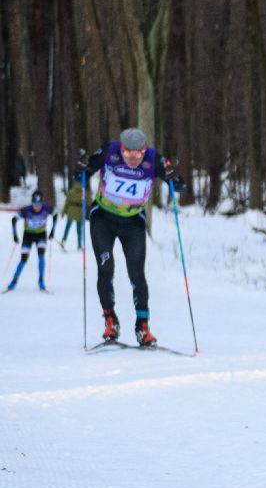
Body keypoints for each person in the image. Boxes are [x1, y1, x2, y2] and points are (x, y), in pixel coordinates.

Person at [82, 128, 183, 345]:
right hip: (103, 219)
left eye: (139, 155)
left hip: (133, 222)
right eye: (129, 154)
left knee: (137, 273)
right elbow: (85, 170)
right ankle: (111, 321)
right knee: (105, 267)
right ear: (122, 149)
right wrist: (82, 168)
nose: (134, 159)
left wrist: (175, 178)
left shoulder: (154, 158)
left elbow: (178, 182)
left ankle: (142, 327)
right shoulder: (110, 151)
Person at [8, 190, 55, 291]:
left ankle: (41, 281)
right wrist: (15, 235)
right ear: (32, 203)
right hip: (28, 235)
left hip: (41, 235)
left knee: (41, 257)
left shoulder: (46, 208)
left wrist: (52, 231)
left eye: (39, 204)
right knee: (23, 259)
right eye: (35, 204)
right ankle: (13, 281)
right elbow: (14, 220)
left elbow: (55, 215)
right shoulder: (26, 210)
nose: (37, 207)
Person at [60, 174, 85, 250]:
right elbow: (88, 202)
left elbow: (67, 203)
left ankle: (63, 242)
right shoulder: (83, 192)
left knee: (67, 228)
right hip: (79, 212)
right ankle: (79, 245)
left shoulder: (71, 191)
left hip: (71, 211)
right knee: (79, 230)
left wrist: (63, 212)